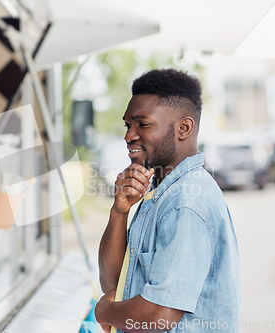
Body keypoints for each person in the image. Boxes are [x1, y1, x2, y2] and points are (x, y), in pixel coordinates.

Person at [95, 69, 240, 333]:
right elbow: (115, 284)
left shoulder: (185, 202)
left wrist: (103, 311)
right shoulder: (158, 193)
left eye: (143, 124)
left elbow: (159, 315)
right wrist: (119, 212)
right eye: (128, 125)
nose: (129, 136)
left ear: (184, 128)